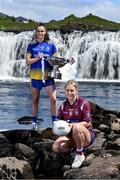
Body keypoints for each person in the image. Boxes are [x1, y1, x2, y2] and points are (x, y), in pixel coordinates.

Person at [52, 80, 95, 168]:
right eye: (67, 91)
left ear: (76, 90)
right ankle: (74, 150)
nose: (69, 93)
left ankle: (80, 153)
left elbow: (88, 122)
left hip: (86, 135)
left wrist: (73, 125)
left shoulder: (84, 103)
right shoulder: (63, 106)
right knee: (56, 148)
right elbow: (58, 122)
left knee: (76, 126)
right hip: (70, 136)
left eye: (72, 90)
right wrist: (55, 128)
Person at [26, 22, 59, 129]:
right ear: (36, 32)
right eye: (38, 31)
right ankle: (34, 123)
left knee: (53, 99)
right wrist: (37, 58)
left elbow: (57, 60)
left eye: (42, 31)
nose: (40, 33)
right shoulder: (31, 46)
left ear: (45, 32)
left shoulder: (51, 45)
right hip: (35, 77)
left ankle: (54, 122)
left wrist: (67, 61)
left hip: (48, 76)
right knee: (35, 100)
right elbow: (27, 61)